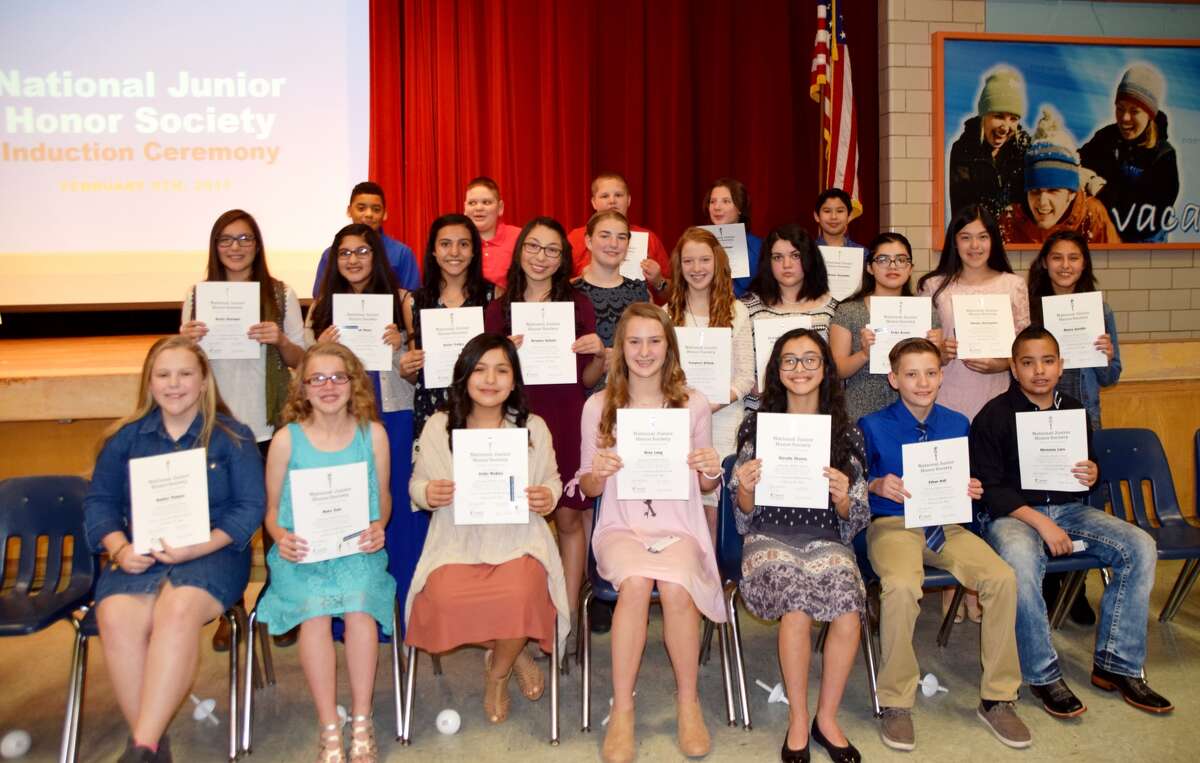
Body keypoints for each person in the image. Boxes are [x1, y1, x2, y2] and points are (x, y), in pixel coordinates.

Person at [971, 326, 1172, 718]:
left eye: (1047, 361)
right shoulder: (992, 416)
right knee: (1021, 561)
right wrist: (1040, 523)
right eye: (1028, 363)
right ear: (1014, 368)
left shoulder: (1075, 410)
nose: (1039, 371)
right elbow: (991, 489)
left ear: (1060, 366)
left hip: (1070, 511)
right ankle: (1043, 674)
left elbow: (1085, 467)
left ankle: (1117, 665)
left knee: (1139, 546)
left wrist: (1092, 472)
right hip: (1013, 516)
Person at [84, 336, 265, 763]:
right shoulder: (125, 439)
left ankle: (141, 748)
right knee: (114, 613)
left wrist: (196, 548)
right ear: (149, 383)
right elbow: (100, 503)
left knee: (177, 609)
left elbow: (249, 509)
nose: (174, 384)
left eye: (186, 373)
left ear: (204, 381)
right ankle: (150, 743)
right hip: (139, 556)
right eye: (163, 375)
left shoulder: (232, 437)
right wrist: (119, 548)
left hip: (214, 555)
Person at [859, 338, 1029, 752]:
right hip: (893, 524)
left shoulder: (957, 423)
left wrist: (971, 487)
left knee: (1002, 577)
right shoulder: (871, 425)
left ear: (941, 376)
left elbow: (965, 482)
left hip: (944, 525)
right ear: (894, 378)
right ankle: (896, 702)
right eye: (912, 374)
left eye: (931, 373)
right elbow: (849, 488)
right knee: (900, 585)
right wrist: (875, 484)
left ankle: (998, 697)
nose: (922, 382)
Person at [576, 304, 726, 762]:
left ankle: (688, 703)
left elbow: (704, 483)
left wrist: (711, 469)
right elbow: (586, 484)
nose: (644, 352)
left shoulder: (693, 403)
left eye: (654, 341)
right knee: (637, 584)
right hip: (621, 526)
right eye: (634, 342)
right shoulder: (599, 406)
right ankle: (622, 709)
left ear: (669, 347)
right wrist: (598, 474)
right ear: (620, 348)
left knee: (678, 587)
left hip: (679, 526)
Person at [407, 334, 569, 725]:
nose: (490, 379)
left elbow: (553, 479)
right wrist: (429, 492)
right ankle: (513, 650)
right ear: (464, 376)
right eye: (479, 369)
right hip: (457, 541)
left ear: (514, 380)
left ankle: (497, 675)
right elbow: (417, 484)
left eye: (501, 370)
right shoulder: (439, 426)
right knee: (442, 599)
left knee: (522, 591)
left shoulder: (533, 427)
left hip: (519, 539)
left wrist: (547, 496)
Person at [729, 328, 868, 763]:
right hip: (769, 536)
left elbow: (856, 519)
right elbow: (743, 514)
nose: (800, 369)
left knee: (848, 606)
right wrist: (746, 487)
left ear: (826, 369)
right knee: (796, 603)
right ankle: (797, 718)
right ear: (777, 372)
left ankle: (826, 719)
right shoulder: (756, 425)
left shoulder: (848, 433)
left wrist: (844, 497)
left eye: (811, 359)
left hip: (826, 538)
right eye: (789, 360)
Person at [256, 342, 394, 762]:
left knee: (358, 609)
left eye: (338, 377)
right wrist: (281, 537)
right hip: (303, 551)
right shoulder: (285, 440)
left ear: (354, 384)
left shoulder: (374, 434)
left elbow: (383, 499)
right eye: (318, 378)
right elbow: (272, 512)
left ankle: (362, 719)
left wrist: (378, 527)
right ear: (303, 387)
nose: (329, 386)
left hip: (356, 548)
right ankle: (329, 724)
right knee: (315, 614)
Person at [179, 208, 306, 650]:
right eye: (226, 240)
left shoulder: (281, 294)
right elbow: (181, 366)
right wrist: (186, 343)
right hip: (217, 426)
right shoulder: (197, 296)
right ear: (215, 248)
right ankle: (227, 606)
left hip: (271, 425)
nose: (236, 247)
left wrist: (280, 340)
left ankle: (280, 605)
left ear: (258, 244)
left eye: (245, 238)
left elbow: (300, 361)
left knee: (277, 523)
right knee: (224, 520)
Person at [486, 217, 606, 635]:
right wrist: (504, 356)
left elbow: (586, 381)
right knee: (517, 522)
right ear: (520, 251)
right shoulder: (498, 311)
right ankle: (518, 620)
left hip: (565, 417)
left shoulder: (579, 306)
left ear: (563, 258)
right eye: (533, 247)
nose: (541, 257)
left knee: (570, 521)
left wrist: (600, 357)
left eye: (552, 250)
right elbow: (485, 381)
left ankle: (566, 618)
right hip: (515, 423)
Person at [308, 224, 424, 633]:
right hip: (342, 425)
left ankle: (405, 612)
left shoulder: (403, 301)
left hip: (392, 417)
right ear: (334, 260)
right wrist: (319, 347)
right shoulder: (322, 307)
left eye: (361, 251)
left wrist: (402, 345)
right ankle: (352, 617)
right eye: (344, 253)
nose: (353, 260)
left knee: (396, 512)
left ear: (376, 257)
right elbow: (306, 376)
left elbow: (416, 375)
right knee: (351, 509)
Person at [1028, 230, 1122, 626]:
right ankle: (1049, 586)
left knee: (1081, 503)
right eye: (1057, 258)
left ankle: (1075, 588)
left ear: (1084, 264)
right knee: (1042, 501)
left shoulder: (1100, 311)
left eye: (1074, 258)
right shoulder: (1031, 308)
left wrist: (1106, 355)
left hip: (1082, 419)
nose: (1065, 265)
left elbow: (1111, 376)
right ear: (1045, 262)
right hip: (1036, 419)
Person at [665, 226, 754, 537]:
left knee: (718, 510)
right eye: (688, 261)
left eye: (704, 260)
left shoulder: (737, 312)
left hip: (725, 421)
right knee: (686, 506)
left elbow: (745, 377)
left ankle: (716, 578)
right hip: (680, 422)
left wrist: (708, 405)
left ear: (717, 263)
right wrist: (688, 409)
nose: (696, 268)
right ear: (679, 266)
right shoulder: (665, 315)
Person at [918, 205, 1029, 423]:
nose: (975, 246)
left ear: (993, 240)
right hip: (945, 397)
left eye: (983, 237)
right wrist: (940, 353)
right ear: (954, 241)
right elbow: (918, 350)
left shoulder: (1013, 285)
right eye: (966, 237)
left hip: (998, 397)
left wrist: (1004, 364)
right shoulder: (933, 286)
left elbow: (1025, 347)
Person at [399, 214, 496, 438]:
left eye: (463, 244)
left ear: (474, 251)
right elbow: (418, 373)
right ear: (433, 251)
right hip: (431, 410)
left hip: (481, 407)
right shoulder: (414, 302)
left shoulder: (493, 296)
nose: (454, 252)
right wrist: (407, 370)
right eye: (445, 244)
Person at [830, 232, 943, 423]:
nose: (893, 266)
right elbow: (837, 369)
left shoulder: (925, 311)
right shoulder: (848, 310)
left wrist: (939, 348)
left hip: (914, 408)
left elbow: (937, 365)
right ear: (870, 268)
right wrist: (864, 354)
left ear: (910, 268)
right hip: (861, 409)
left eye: (901, 260)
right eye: (883, 259)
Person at [1079, 63, 1179, 243]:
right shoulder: (1106, 137)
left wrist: (1101, 189)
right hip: (1104, 232)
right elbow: (1078, 161)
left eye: (1134, 111)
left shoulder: (1163, 157)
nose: (1124, 118)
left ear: (1150, 114)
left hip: (1142, 243)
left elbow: (1144, 222)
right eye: (1120, 108)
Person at [998, 108, 1118, 245]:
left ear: (1071, 193)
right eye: (1035, 190)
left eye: (1053, 190)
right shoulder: (1010, 221)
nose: (1042, 201)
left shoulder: (1092, 217)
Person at [573, 210, 650, 395]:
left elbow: (651, 346)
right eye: (605, 236)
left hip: (631, 397)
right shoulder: (569, 293)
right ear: (589, 241)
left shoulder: (639, 293)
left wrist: (620, 356)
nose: (613, 244)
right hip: (580, 400)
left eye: (621, 237)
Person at [567, 172, 672, 303]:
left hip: (637, 311)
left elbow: (675, 296)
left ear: (628, 200)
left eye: (618, 195)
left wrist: (658, 281)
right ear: (594, 202)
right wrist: (581, 281)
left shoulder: (649, 239)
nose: (612, 201)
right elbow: (555, 288)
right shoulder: (575, 238)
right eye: (605, 196)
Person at [948, 65, 1032, 222]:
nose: (1005, 127)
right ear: (983, 116)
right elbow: (963, 212)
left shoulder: (1026, 148)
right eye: (999, 116)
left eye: (1013, 119)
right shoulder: (964, 150)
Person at [312, 181, 421, 297]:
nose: (369, 214)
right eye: (361, 208)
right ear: (349, 211)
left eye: (376, 209)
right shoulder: (331, 254)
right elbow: (320, 297)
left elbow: (412, 299)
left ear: (385, 213)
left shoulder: (402, 253)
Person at [741, 224, 840, 340]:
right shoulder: (747, 309)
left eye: (795, 256)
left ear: (810, 257)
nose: (786, 265)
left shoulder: (833, 309)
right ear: (768, 262)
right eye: (778, 257)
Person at [703, 177, 762, 297]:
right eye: (712, 201)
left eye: (726, 201)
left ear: (740, 208)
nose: (717, 207)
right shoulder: (698, 245)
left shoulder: (758, 247)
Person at [464, 176, 523, 287]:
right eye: (472, 203)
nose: (479, 208)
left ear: (500, 208)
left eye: (486, 202)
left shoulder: (519, 237)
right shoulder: (456, 241)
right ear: (465, 209)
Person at [813, 188, 866, 262]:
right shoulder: (807, 252)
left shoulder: (863, 254)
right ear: (816, 216)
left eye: (840, 211)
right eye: (827, 211)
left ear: (849, 216)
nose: (833, 217)